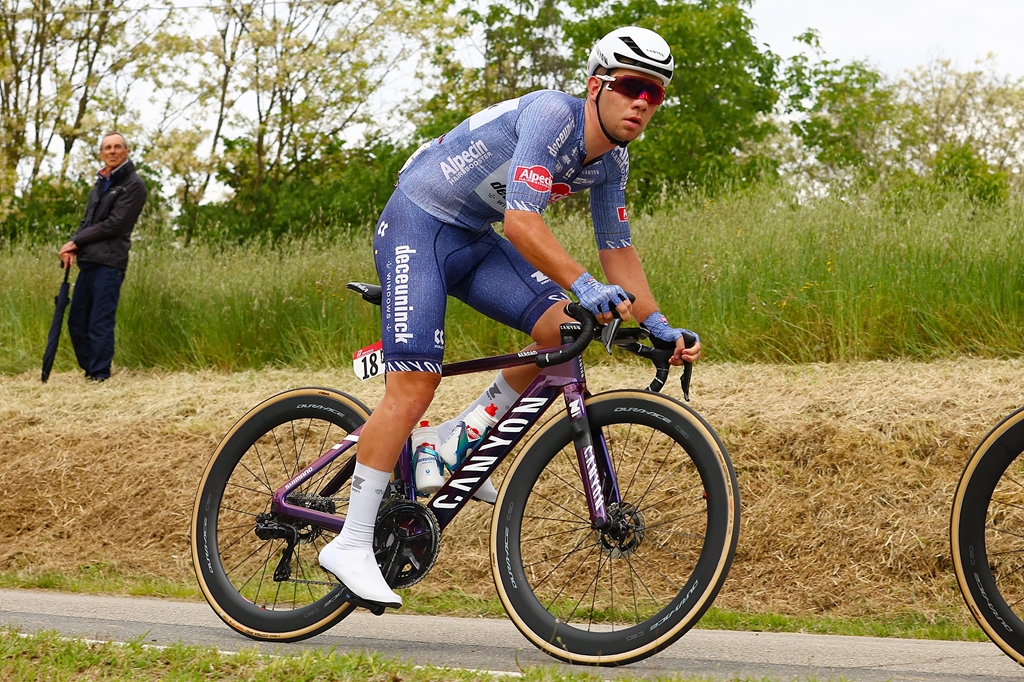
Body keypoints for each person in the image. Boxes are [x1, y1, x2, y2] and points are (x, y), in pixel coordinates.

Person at [319, 26, 702, 607]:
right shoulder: (554, 116)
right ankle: (349, 542)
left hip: (472, 236)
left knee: (564, 329)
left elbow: (617, 250)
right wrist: (583, 284)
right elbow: (523, 224)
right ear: (598, 86)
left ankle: (452, 441)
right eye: (630, 87)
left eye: (655, 93)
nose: (642, 102)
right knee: (415, 382)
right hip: (418, 223)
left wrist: (657, 325)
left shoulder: (611, 162)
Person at [58, 132, 147, 382]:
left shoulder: (133, 184)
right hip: (89, 261)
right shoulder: (101, 183)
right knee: (77, 321)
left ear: (126, 152)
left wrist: (77, 241)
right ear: (101, 153)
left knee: (99, 322)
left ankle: (99, 375)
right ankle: (90, 371)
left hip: (110, 263)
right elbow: (87, 221)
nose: (112, 151)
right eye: (107, 147)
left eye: (118, 147)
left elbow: (114, 225)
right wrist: (72, 248)